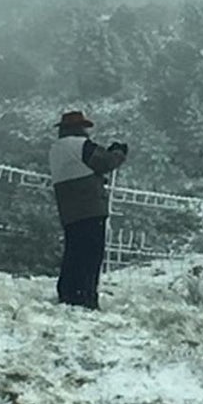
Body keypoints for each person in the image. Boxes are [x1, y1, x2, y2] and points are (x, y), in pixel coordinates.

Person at [48, 110, 127, 309]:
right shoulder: (81, 145)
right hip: (90, 208)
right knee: (91, 256)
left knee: (73, 253)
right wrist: (118, 152)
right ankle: (85, 297)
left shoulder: (55, 149)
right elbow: (105, 162)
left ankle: (68, 294)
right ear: (78, 128)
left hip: (68, 210)